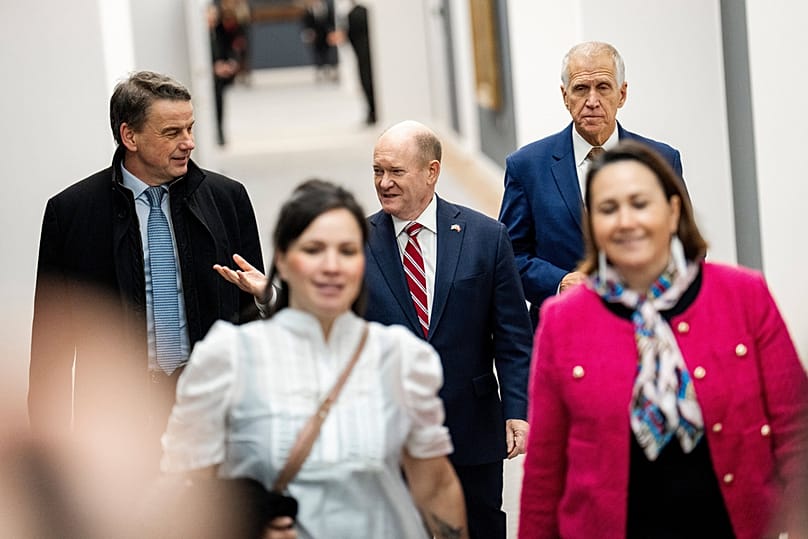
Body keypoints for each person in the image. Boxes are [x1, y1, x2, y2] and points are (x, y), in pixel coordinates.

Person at [518, 141, 808, 538]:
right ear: (593, 226)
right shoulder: (563, 321)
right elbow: (544, 473)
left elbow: (797, 433)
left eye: (640, 203)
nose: (625, 221)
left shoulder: (744, 296)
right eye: (608, 209)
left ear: (673, 212)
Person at [161, 179, 469, 539]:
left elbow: (434, 485)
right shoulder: (228, 358)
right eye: (313, 249)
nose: (332, 266)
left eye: (348, 251)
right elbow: (183, 490)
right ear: (283, 259)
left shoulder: (400, 358)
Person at [28, 70, 265, 472]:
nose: (188, 143)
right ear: (130, 136)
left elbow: (253, 317)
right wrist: (49, 450)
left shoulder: (227, 200)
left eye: (190, 128)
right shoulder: (71, 214)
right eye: (172, 132)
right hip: (118, 420)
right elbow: (51, 346)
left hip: (210, 409)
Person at [365, 121, 533, 539]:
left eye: (395, 172)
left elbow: (513, 337)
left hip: (471, 426)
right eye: (377, 171)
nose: (384, 183)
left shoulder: (486, 238)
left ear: (431, 171)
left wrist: (517, 410)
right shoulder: (357, 241)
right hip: (392, 433)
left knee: (480, 527)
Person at [498, 41, 685, 327]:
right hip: (565, 327)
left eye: (603, 87)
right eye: (581, 89)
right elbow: (510, 257)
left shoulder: (661, 160)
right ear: (565, 96)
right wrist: (559, 282)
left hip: (644, 324)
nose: (592, 101)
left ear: (622, 94)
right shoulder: (527, 166)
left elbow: (684, 244)